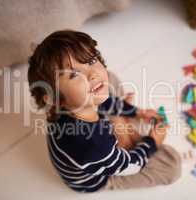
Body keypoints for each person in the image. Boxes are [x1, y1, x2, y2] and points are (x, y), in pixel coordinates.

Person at [27, 30, 181, 193]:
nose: (92, 73)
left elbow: (102, 100)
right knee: (172, 165)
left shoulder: (66, 105)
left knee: (108, 80)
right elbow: (131, 166)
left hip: (96, 137)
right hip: (99, 175)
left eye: (91, 60)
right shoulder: (93, 144)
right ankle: (123, 135)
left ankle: (121, 126)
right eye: (74, 74)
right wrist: (152, 141)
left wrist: (136, 112)